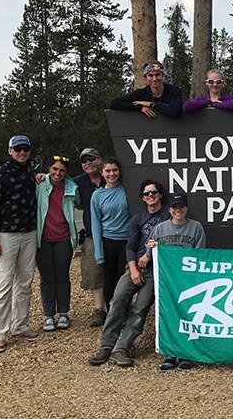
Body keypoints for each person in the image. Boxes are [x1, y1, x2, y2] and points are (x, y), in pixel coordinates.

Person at [88, 180, 170, 368]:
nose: (151, 195)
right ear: (142, 197)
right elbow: (130, 246)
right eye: (147, 193)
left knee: (140, 308)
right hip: (135, 267)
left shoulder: (168, 214)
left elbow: (169, 239)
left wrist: (148, 257)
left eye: (154, 192)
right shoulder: (137, 219)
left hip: (155, 269)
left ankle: (122, 348)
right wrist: (133, 269)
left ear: (160, 194)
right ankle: (106, 346)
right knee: (117, 300)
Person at [0, 135, 39, 353]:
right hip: (5, 235)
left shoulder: (31, 174)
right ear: (10, 151)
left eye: (25, 148)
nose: (22, 152)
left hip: (29, 233)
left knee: (25, 281)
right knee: (3, 283)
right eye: (18, 149)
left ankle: (20, 325)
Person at [147, 193, 206, 371]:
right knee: (168, 314)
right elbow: (150, 254)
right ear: (169, 209)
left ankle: (185, 353)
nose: (178, 210)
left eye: (181, 207)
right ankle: (170, 352)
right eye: (174, 207)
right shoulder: (159, 229)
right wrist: (151, 249)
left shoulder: (196, 227)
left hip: (187, 280)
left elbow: (200, 254)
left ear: (186, 208)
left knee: (187, 314)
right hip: (167, 281)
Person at [35, 155, 79, 331]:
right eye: (54, 169)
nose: (57, 173)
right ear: (49, 169)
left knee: (62, 276)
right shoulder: (39, 184)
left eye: (61, 170)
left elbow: (80, 204)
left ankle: (63, 313)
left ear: (66, 172)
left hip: (63, 238)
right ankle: (48, 315)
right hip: (43, 239)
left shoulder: (71, 188)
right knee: (46, 278)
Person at [73, 148, 107, 327]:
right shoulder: (78, 182)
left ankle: (118, 306)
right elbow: (55, 181)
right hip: (92, 236)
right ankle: (99, 309)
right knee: (94, 274)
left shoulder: (111, 176)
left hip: (113, 234)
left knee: (115, 271)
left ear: (100, 160)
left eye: (91, 159)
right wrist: (41, 176)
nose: (87, 163)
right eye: (84, 161)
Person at [90, 157, 131, 310]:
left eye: (115, 170)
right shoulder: (97, 196)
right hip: (108, 241)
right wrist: (99, 253)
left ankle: (125, 311)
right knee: (109, 280)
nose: (111, 174)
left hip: (126, 241)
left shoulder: (127, 190)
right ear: (102, 173)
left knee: (124, 280)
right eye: (108, 171)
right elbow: (96, 224)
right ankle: (112, 313)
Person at [109, 61, 183, 118]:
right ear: (145, 78)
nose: (154, 79)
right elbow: (115, 103)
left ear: (162, 75)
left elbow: (174, 112)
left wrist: (151, 104)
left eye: (157, 75)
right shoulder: (141, 93)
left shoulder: (173, 91)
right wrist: (139, 107)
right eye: (150, 75)